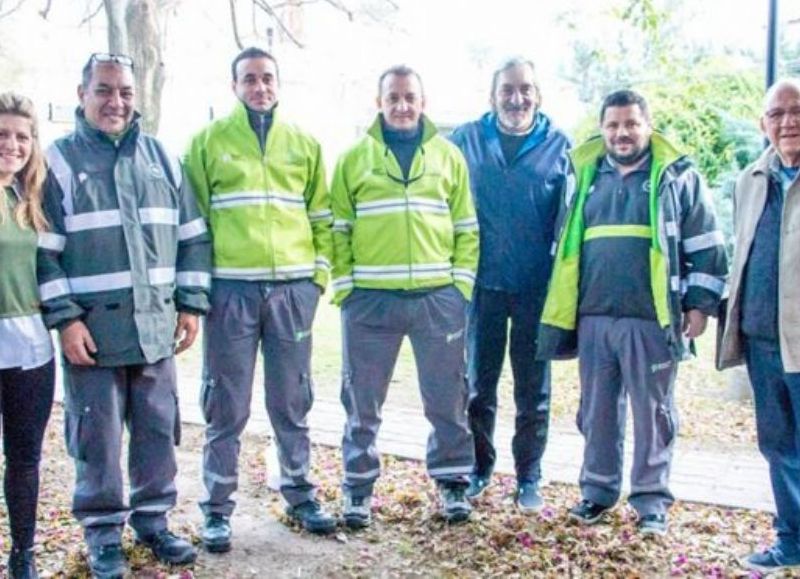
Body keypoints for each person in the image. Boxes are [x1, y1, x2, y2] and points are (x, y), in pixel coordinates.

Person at [36, 53, 211, 578]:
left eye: (126, 93)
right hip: (92, 335)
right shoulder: (58, 162)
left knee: (158, 430)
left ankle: (154, 522)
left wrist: (190, 304)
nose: (116, 102)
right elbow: (42, 253)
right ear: (82, 94)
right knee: (98, 437)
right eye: (105, 91)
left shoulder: (163, 158)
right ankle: (104, 533)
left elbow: (193, 239)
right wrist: (65, 320)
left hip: (156, 329)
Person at [537, 89, 727, 536]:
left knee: (653, 413)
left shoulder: (675, 177)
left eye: (631, 124)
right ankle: (597, 492)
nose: (622, 133)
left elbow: (707, 244)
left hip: (652, 318)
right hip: (593, 318)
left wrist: (699, 306)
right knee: (596, 411)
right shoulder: (582, 175)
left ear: (648, 125)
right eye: (613, 125)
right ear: (602, 129)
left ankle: (651, 502)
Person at [183, 46, 336, 548]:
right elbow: (195, 225)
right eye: (249, 79)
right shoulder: (207, 143)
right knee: (226, 405)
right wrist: (201, 290)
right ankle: (217, 508)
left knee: (292, 398)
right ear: (234, 86)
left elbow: (322, 219)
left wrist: (316, 281)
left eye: (267, 78)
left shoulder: (304, 143)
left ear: (278, 83)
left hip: (292, 292)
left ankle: (298, 492)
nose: (260, 87)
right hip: (232, 292)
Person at [330, 65, 479, 528]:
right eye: (392, 97)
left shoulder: (448, 156)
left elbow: (466, 228)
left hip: (438, 299)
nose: (402, 105)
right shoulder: (354, 158)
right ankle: (357, 488)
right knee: (362, 401)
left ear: (423, 101)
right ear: (379, 102)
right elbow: (338, 229)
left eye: (409, 97)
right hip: (371, 302)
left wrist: (460, 288)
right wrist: (347, 289)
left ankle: (453, 481)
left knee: (447, 397)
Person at [450, 58, 571, 511]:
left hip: (535, 288)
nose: (517, 98)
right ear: (492, 95)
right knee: (478, 385)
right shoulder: (465, 140)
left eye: (526, 89)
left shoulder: (561, 146)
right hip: (480, 286)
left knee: (533, 390)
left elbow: (571, 221)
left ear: (538, 95)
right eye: (508, 90)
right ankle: (479, 467)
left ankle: (529, 477)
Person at [718, 78, 800, 573]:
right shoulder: (751, 179)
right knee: (779, 447)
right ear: (762, 123)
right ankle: (791, 539)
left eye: (797, 111)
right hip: (764, 340)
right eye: (777, 114)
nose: (788, 121)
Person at [0, 93, 54, 579]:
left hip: (30, 347)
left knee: (23, 457)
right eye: (2, 135)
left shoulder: (30, 197)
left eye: (22, 136)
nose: (12, 145)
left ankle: (22, 553)